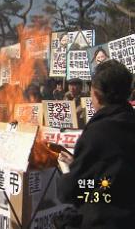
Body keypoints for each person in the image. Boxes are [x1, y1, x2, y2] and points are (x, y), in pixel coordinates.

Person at [56, 60, 135, 229]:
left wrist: (68, 178)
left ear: (97, 95)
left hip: (104, 220)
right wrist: (79, 163)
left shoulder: (97, 132)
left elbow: (76, 190)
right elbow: (113, 171)